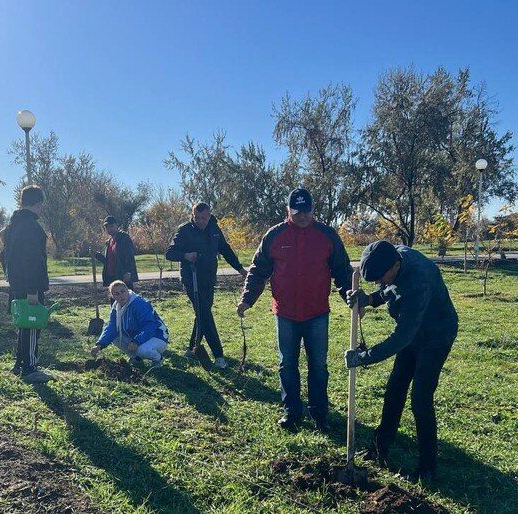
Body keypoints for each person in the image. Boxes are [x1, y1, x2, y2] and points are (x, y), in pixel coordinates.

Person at [237, 188, 352, 431]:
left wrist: (350, 297)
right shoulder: (274, 236)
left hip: (317, 312)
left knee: (318, 365)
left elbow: (342, 270)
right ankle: (292, 412)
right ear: (288, 211)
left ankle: (320, 414)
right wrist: (247, 299)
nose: (302, 217)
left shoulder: (327, 236)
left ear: (313, 210)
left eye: (306, 212)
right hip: (285, 313)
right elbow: (258, 270)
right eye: (296, 212)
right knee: (287, 364)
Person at [344, 240, 458, 482]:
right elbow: (390, 288)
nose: (378, 283)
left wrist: (362, 358)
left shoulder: (419, 280)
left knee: (420, 398)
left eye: (380, 278)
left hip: (436, 336)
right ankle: (380, 447)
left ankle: (427, 467)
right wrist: (369, 299)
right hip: (413, 332)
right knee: (395, 388)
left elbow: (401, 338)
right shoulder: (391, 256)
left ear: (396, 265)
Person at [165, 202, 247, 369]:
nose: (201, 221)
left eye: (204, 218)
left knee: (203, 313)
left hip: (209, 278)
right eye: (197, 218)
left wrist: (239, 268)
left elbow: (225, 249)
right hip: (191, 279)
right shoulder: (184, 230)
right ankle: (219, 356)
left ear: (209, 216)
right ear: (192, 215)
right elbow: (169, 253)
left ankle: (191, 349)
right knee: (205, 314)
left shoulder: (214, 229)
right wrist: (186, 255)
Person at [1, 185, 53, 383]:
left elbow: (4, 256)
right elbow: (32, 260)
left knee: (23, 323)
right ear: (38, 204)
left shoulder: (13, 225)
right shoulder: (31, 226)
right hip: (30, 285)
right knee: (32, 323)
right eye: (41, 205)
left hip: (17, 284)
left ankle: (19, 363)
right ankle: (30, 368)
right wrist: (33, 289)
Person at [90, 281, 169, 367]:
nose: (121, 295)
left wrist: (137, 341)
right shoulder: (116, 307)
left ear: (128, 290)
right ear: (113, 296)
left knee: (142, 350)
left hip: (157, 336)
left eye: (123, 291)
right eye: (116, 294)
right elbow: (112, 327)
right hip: (137, 337)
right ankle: (136, 358)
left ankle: (158, 359)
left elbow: (151, 325)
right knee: (114, 336)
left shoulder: (139, 304)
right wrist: (99, 345)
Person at [94, 215, 139, 289]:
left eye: (111, 226)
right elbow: (108, 261)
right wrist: (96, 255)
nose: (109, 229)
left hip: (123, 276)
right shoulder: (108, 242)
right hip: (111, 277)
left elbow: (129, 256)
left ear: (116, 225)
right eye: (107, 227)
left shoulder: (124, 238)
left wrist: (128, 272)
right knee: (114, 300)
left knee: (126, 299)